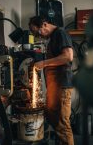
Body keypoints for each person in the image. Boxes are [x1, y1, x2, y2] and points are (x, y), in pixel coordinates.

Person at [29, 16, 74, 145]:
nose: (39, 36)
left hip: (62, 84)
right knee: (52, 117)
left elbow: (68, 56)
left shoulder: (60, 33)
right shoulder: (52, 38)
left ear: (44, 24)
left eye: (37, 32)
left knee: (62, 124)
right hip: (55, 86)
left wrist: (43, 63)